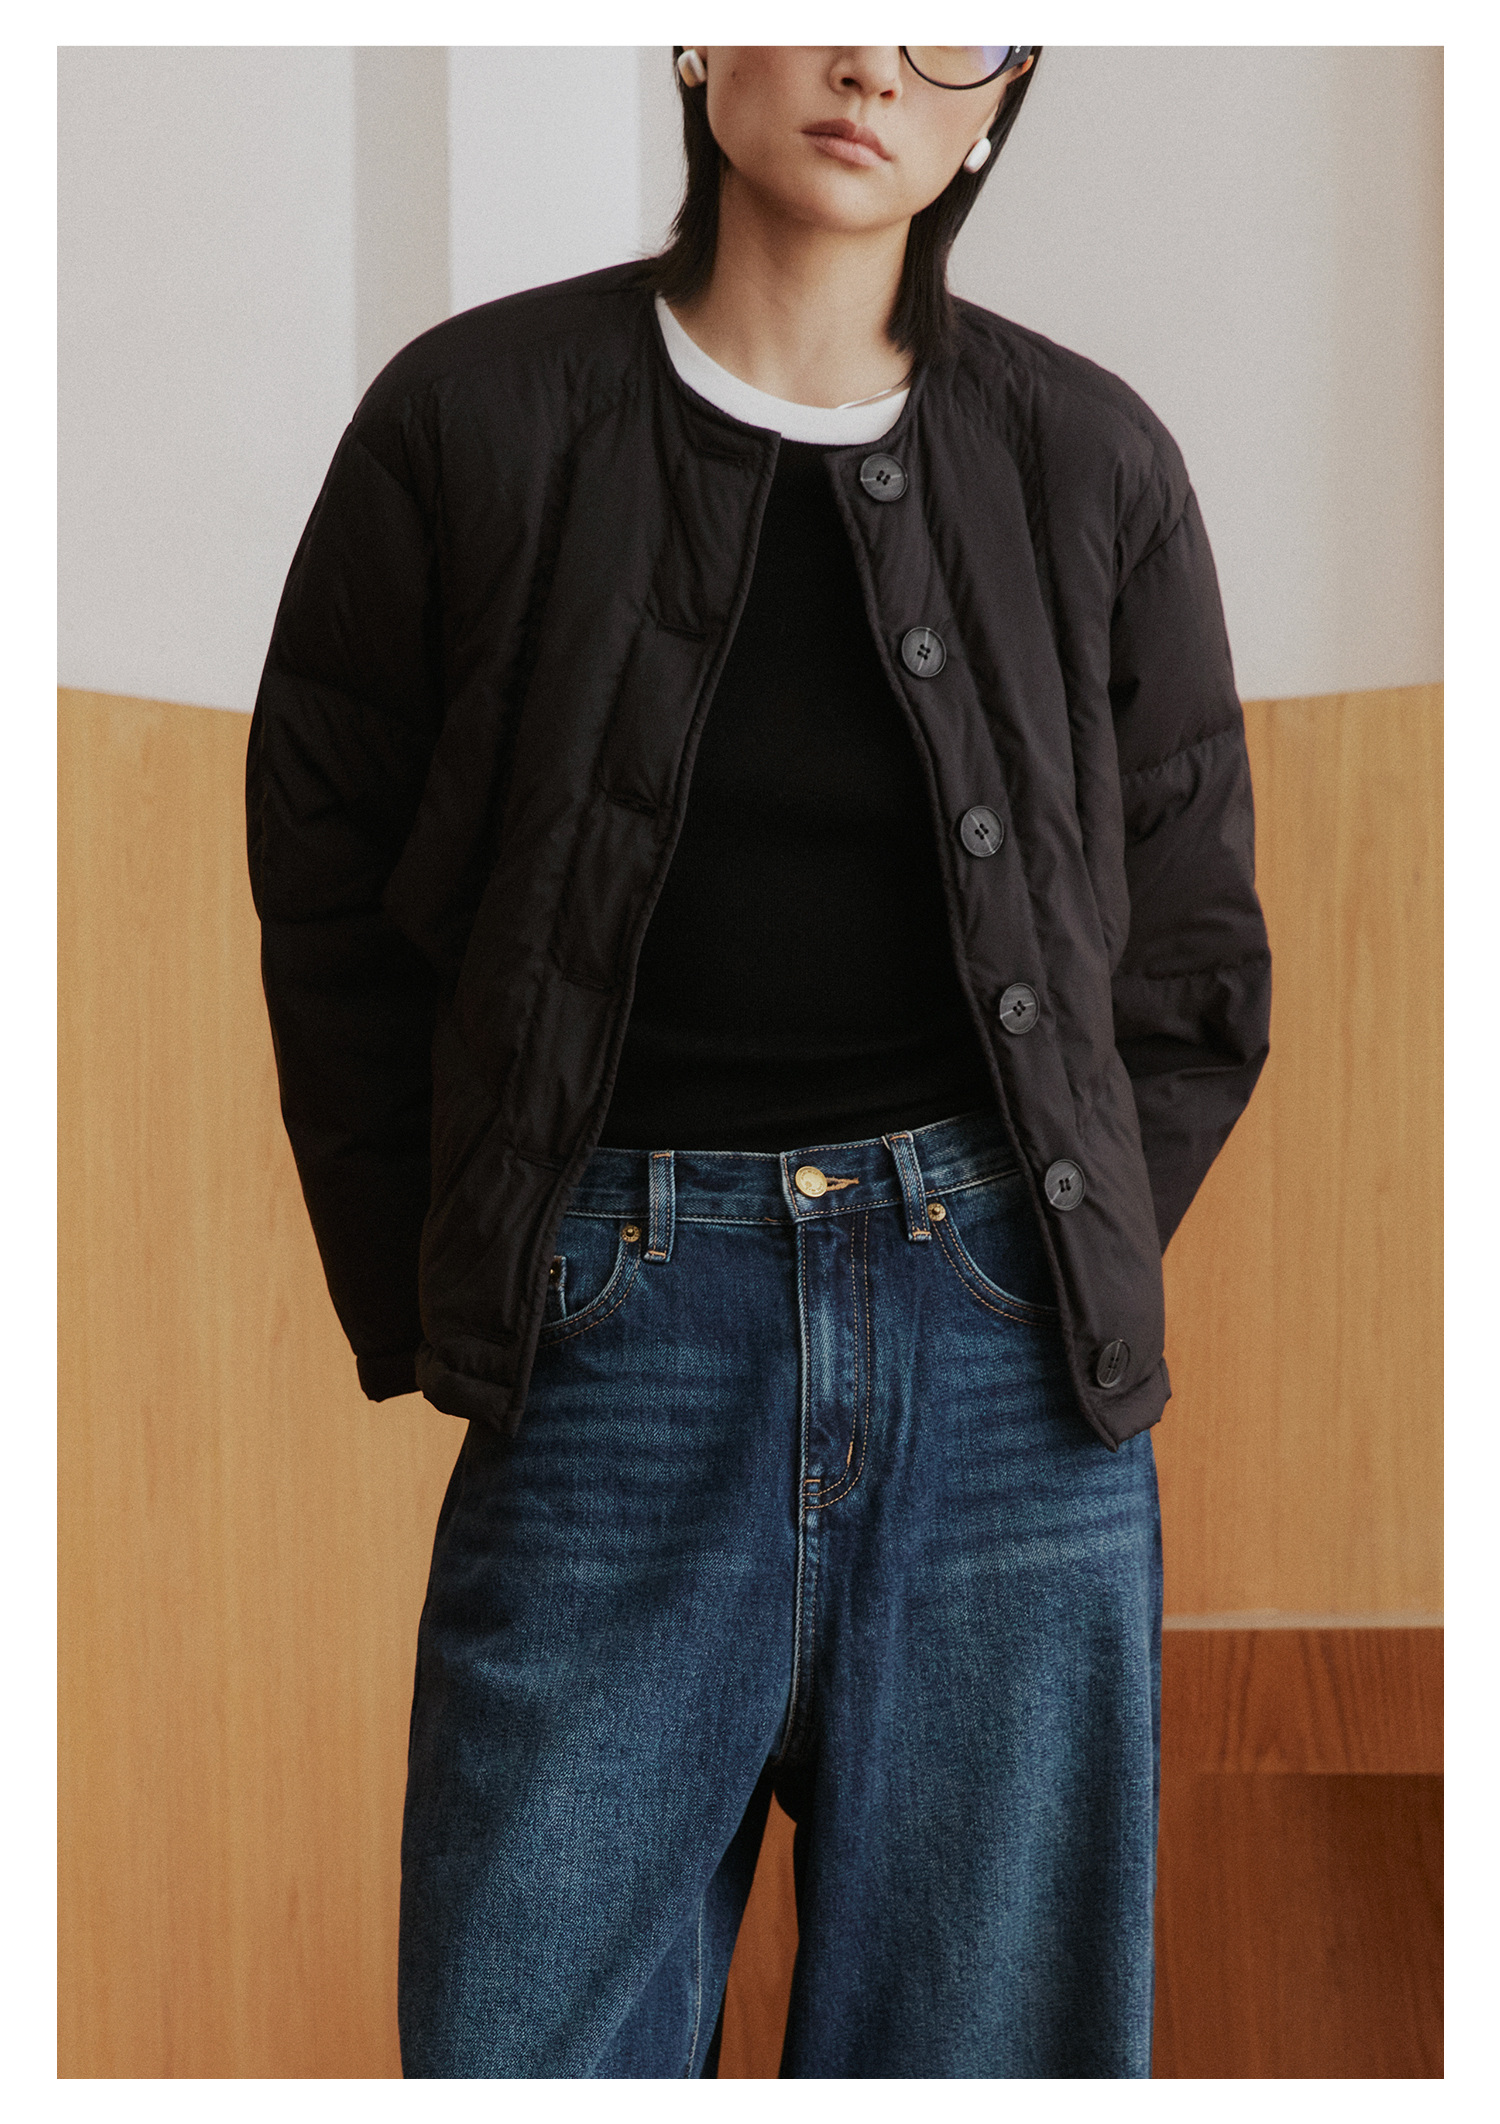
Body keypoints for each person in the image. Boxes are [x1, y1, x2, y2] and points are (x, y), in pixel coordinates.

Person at [246, 45, 1271, 2079]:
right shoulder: (466, 420)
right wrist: (476, 1276)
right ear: (700, 38)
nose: (876, 55)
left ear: (997, 105)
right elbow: (329, 875)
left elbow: (1192, 956)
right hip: (614, 1342)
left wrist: (1045, 1254)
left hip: (1007, 1392)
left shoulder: (1094, 461)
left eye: (950, 27)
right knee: (527, 2049)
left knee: (992, 2065)